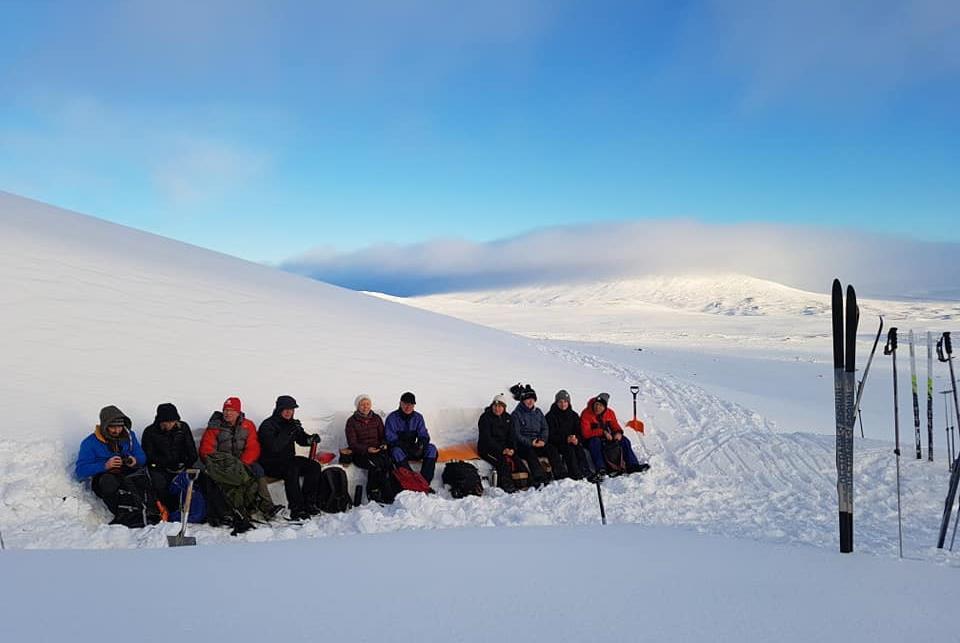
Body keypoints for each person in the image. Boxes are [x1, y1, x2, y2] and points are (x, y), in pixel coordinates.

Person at [75, 405, 161, 527]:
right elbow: (80, 470)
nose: (117, 430)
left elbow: (142, 457)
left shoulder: (130, 436)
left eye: (119, 426)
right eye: (112, 427)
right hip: (105, 476)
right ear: (105, 426)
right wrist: (104, 465)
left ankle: (149, 512)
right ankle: (123, 515)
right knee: (109, 482)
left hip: (128, 472)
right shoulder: (90, 442)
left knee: (147, 480)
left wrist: (134, 460)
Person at [200, 396, 279, 519]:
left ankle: (267, 506)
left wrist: (243, 463)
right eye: (225, 410)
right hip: (222, 465)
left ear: (238, 412)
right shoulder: (214, 427)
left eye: (231, 410)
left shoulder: (248, 425)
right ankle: (239, 509)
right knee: (231, 479)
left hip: (243, 462)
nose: (227, 413)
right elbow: (206, 450)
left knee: (257, 471)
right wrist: (225, 464)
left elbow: (253, 447)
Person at [257, 395, 322, 520]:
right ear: (278, 409)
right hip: (270, 463)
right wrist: (288, 431)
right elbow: (274, 447)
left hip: (288, 460)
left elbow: (301, 439)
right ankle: (296, 508)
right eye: (286, 409)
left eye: (292, 410)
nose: (289, 412)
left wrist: (310, 439)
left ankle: (309, 503)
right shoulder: (267, 425)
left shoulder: (291, 423)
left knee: (313, 466)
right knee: (292, 469)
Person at [141, 402, 199, 510]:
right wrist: (167, 463)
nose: (171, 424)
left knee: (194, 482)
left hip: (182, 467)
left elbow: (192, 452)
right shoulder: (150, 432)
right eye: (168, 422)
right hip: (160, 469)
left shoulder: (183, 428)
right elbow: (148, 456)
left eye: (173, 421)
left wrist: (185, 463)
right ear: (161, 421)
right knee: (159, 484)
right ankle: (169, 509)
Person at [580, 393, 647, 478]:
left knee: (624, 440)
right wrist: (602, 432)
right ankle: (601, 468)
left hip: (607, 437)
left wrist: (618, 433)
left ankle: (632, 465)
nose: (597, 407)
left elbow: (615, 425)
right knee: (595, 442)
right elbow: (586, 433)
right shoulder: (586, 414)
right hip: (591, 439)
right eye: (596, 404)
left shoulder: (610, 413)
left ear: (605, 407)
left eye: (601, 406)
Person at [345, 394, 394, 502]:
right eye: (362, 404)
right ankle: (372, 491)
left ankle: (388, 491)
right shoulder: (351, 421)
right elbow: (352, 443)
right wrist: (367, 449)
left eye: (367, 404)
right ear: (357, 406)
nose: (365, 407)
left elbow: (383, 436)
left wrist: (383, 444)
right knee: (375, 465)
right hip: (360, 453)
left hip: (377, 451)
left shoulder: (376, 418)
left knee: (388, 463)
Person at [511, 385, 562, 485]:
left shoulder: (538, 412)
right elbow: (516, 434)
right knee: (529, 452)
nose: (530, 402)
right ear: (522, 400)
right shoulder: (516, 414)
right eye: (527, 399)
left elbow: (545, 428)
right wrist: (530, 442)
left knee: (551, 449)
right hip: (524, 444)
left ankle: (560, 474)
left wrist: (543, 440)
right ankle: (540, 477)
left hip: (538, 442)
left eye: (532, 399)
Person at [384, 392, 438, 483]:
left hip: (414, 449)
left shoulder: (418, 417)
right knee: (396, 451)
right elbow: (390, 438)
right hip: (400, 451)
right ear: (400, 403)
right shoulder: (392, 418)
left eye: (411, 405)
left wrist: (420, 445)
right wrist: (407, 447)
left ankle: (424, 481)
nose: (408, 407)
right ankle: (411, 480)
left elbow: (423, 434)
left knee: (431, 448)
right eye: (405, 404)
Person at [477, 394, 518, 492]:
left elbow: (512, 436)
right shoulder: (485, 418)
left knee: (517, 459)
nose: (497, 409)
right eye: (495, 406)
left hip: (504, 448)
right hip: (487, 448)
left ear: (504, 408)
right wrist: (502, 450)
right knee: (502, 461)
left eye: (500, 406)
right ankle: (506, 485)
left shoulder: (508, 418)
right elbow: (486, 438)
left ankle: (523, 482)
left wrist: (512, 448)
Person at [545, 390, 588, 480]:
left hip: (571, 440)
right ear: (556, 403)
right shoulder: (550, 416)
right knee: (568, 449)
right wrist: (565, 439)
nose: (563, 404)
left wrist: (577, 439)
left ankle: (585, 471)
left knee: (579, 448)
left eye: (565, 401)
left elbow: (579, 431)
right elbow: (550, 435)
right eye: (560, 402)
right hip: (557, 442)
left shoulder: (573, 415)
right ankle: (573, 474)